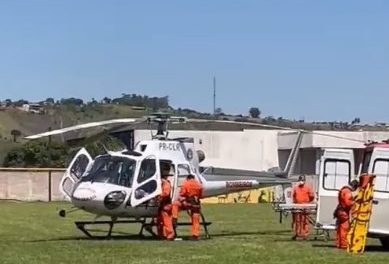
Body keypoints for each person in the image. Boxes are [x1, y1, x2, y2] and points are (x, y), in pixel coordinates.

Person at [172, 174, 203, 240]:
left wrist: (183, 201)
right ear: (193, 178)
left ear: (188, 178)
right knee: (195, 217)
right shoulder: (199, 185)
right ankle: (195, 235)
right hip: (196, 204)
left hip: (187, 203)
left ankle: (174, 218)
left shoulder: (186, 184)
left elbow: (182, 195)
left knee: (175, 204)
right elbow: (200, 195)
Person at [334, 179, 359, 249]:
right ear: (354, 187)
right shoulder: (348, 192)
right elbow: (348, 203)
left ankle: (339, 244)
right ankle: (344, 245)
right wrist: (354, 202)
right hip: (344, 212)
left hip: (340, 211)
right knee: (344, 229)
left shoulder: (343, 190)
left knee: (339, 229)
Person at [292, 175, 315, 240]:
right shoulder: (296, 188)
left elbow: (312, 196)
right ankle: (297, 234)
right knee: (297, 221)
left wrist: (307, 203)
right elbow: (294, 197)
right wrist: (295, 204)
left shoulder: (308, 188)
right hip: (297, 207)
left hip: (306, 207)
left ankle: (305, 234)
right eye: (300, 180)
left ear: (304, 181)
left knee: (305, 221)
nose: (301, 181)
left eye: (302, 180)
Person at [156, 164, 174, 240]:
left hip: (166, 205)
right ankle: (161, 234)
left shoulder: (166, 183)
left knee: (167, 220)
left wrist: (159, 196)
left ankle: (170, 235)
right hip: (162, 205)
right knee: (160, 220)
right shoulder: (164, 183)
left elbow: (166, 193)